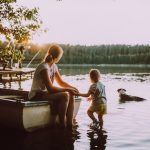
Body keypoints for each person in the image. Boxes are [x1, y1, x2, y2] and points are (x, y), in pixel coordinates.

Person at [28, 44, 78, 128]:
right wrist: (68, 89)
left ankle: (70, 124)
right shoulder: (44, 67)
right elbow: (50, 89)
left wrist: (72, 88)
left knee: (71, 94)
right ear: (57, 57)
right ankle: (62, 124)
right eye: (60, 56)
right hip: (36, 95)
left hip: (45, 93)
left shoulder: (54, 66)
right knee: (65, 95)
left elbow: (61, 82)